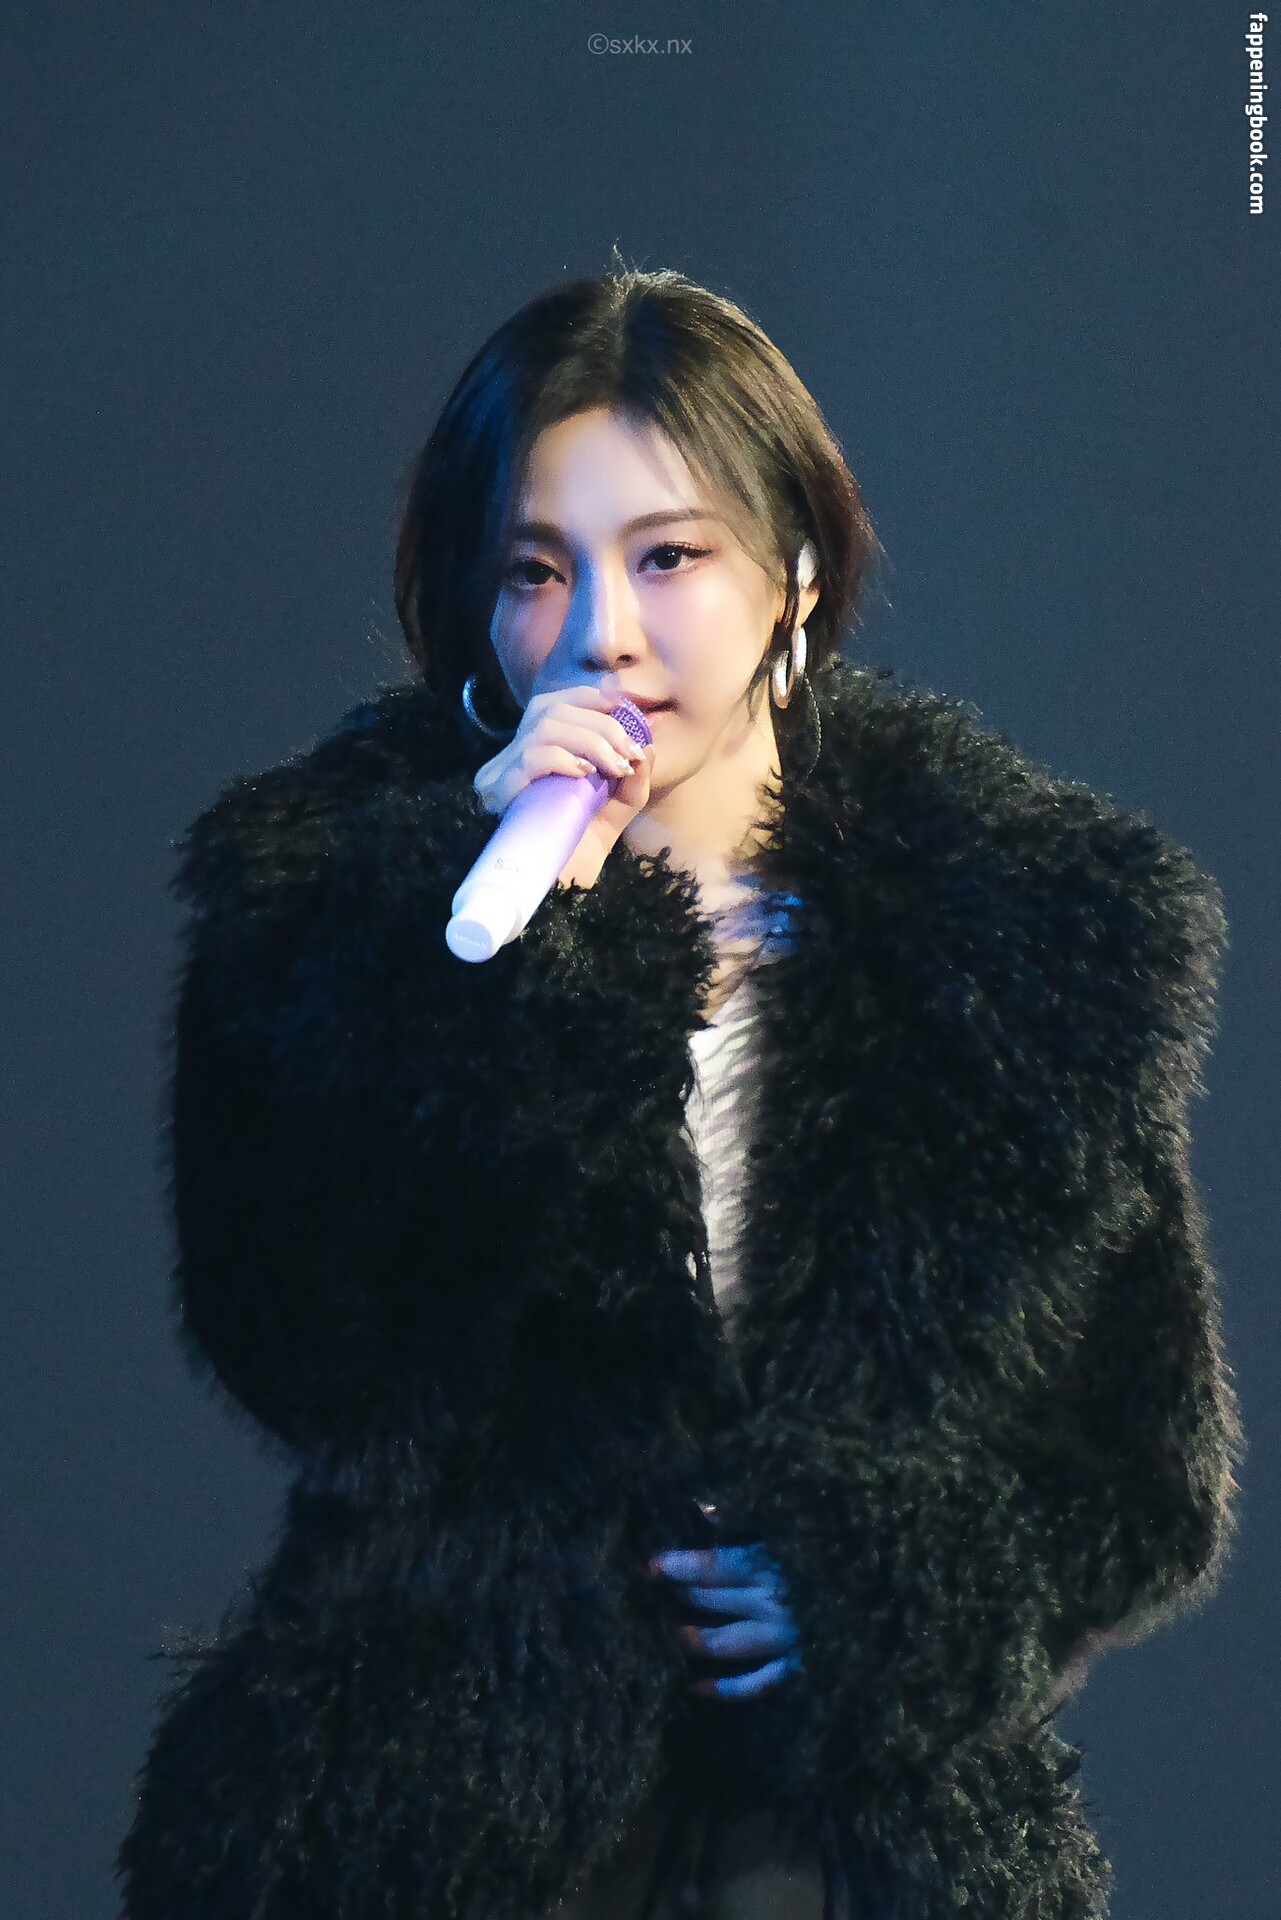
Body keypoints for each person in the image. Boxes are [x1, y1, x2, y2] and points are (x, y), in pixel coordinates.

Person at [116, 266, 1243, 1920]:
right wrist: (506, 965)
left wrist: (886, 1599)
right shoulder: (339, 927)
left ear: (794, 576)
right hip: (456, 1815)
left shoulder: (1022, 946)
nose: (600, 630)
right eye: (535, 570)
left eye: (667, 557)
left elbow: (1138, 1482)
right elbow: (320, 1368)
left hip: (858, 1839)